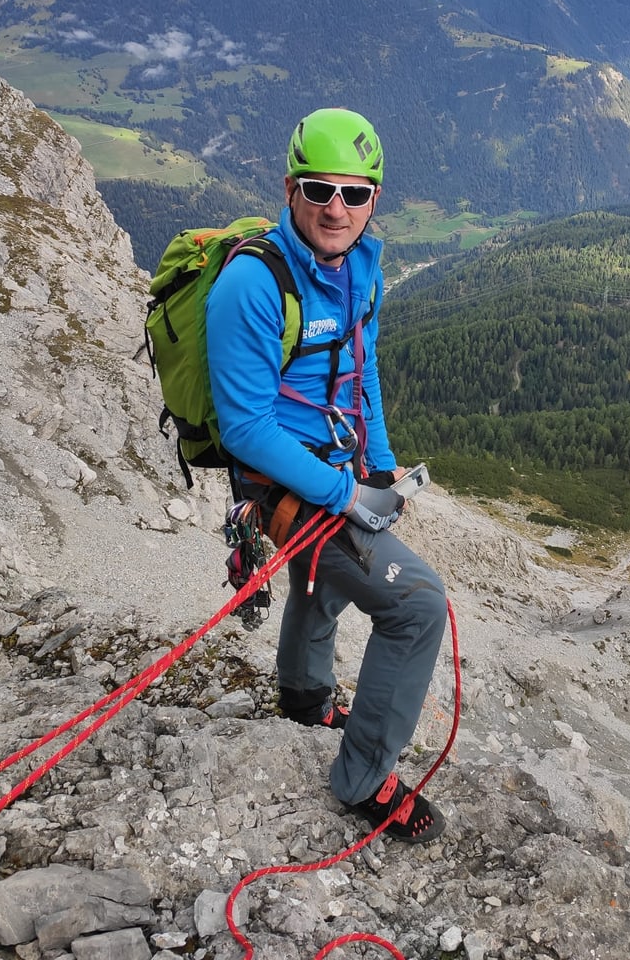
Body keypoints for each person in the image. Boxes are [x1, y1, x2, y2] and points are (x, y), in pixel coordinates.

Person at [205, 107, 448, 844]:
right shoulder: (251, 285)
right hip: (278, 484)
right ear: (289, 189)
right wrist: (344, 494)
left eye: (353, 192)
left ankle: (306, 698)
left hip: (338, 464)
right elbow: (245, 427)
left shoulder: (362, 267)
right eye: (318, 189)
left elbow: (361, 368)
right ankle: (364, 779)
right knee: (416, 608)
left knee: (326, 576)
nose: (335, 207)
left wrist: (376, 463)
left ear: (376, 199)